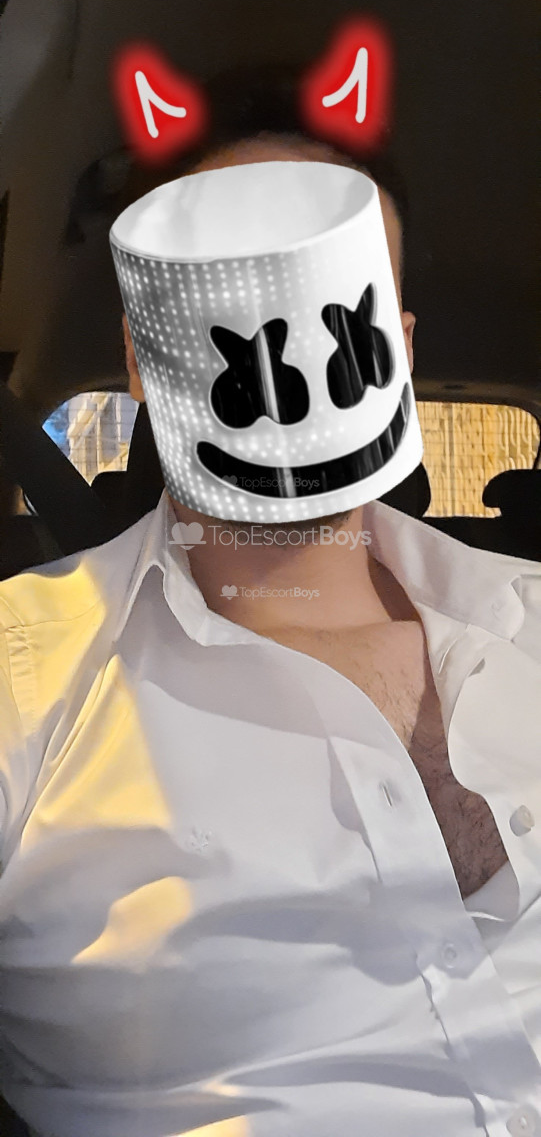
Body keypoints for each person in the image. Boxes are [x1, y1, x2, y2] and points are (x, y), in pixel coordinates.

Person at [1, 68, 541, 1137]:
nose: (277, 350)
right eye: (225, 308)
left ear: (397, 351)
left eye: (321, 303)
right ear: (144, 361)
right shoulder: (27, 674)